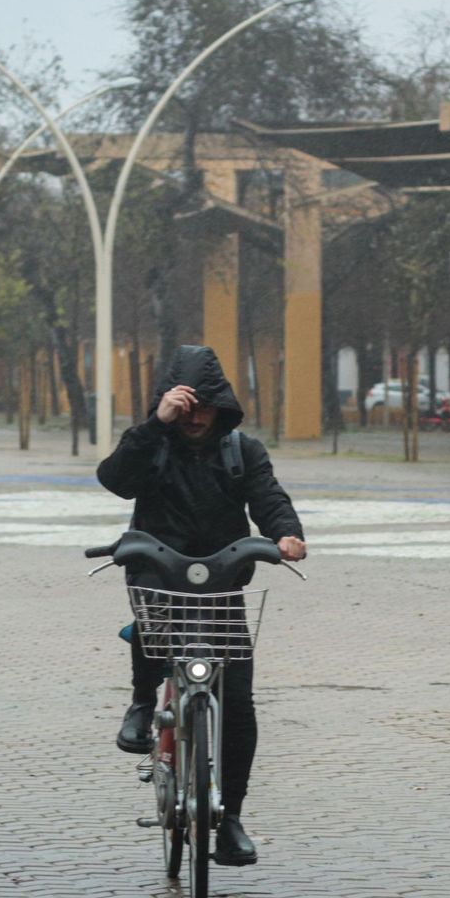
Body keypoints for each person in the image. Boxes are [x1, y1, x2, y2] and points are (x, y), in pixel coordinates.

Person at [96, 345, 305, 867]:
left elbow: (269, 498)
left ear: (222, 406)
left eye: (204, 405)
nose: (195, 416)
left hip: (223, 577)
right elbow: (116, 479)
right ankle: (143, 702)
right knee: (152, 612)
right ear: (170, 403)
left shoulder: (242, 451)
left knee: (237, 700)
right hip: (157, 568)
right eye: (185, 405)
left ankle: (230, 817)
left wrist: (287, 536)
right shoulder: (152, 446)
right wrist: (155, 425)